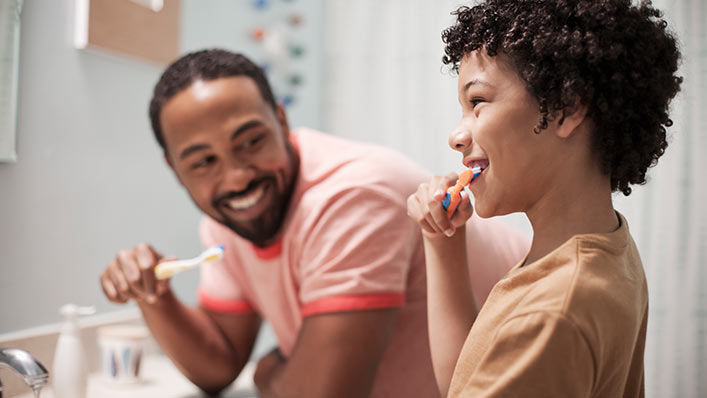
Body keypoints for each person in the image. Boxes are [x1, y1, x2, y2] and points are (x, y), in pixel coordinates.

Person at [99, 49, 527, 397]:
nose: (237, 177)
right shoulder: (231, 217)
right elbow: (220, 365)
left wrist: (268, 373)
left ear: (281, 122)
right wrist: (154, 296)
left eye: (251, 142)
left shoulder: (352, 196)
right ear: (174, 168)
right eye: (203, 162)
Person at [406, 0, 682, 396]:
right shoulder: (607, 248)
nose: (456, 136)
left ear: (566, 108)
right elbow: (464, 380)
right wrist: (441, 241)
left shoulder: (552, 313)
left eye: (477, 102)